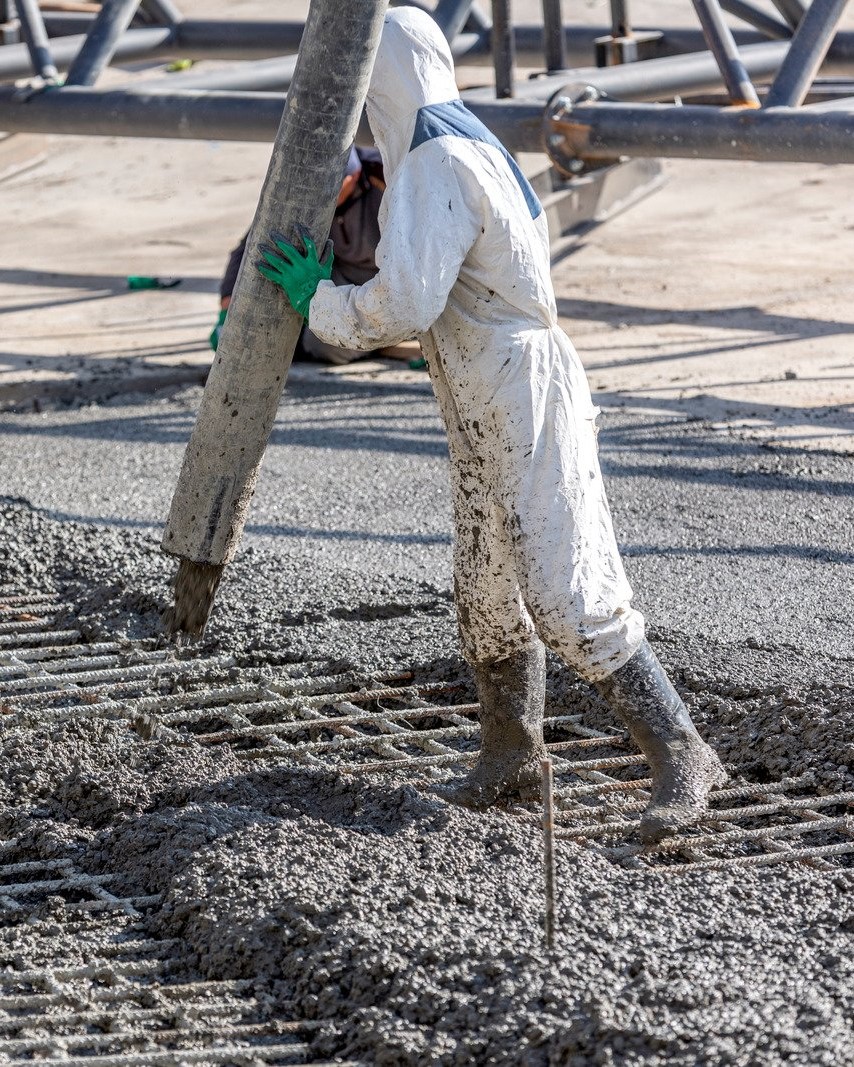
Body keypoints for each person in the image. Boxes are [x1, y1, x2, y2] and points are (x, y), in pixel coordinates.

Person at [258, 7, 726, 844]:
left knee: (564, 588)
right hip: (485, 388)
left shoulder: (436, 161)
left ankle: (683, 752)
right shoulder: (454, 139)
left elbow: (402, 302)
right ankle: (509, 754)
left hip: (520, 389)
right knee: (486, 586)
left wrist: (318, 302)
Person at [211, 146, 384, 364]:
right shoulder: (306, 193)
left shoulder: (385, 177)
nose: (325, 196)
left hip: (381, 279)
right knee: (273, 282)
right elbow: (254, 244)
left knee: (329, 344)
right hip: (330, 271)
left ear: (355, 175)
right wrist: (228, 307)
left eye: (335, 187)